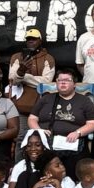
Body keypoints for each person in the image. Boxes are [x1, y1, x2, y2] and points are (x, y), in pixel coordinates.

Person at [28, 69, 94, 181]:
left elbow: (92, 123)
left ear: (74, 84)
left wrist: (78, 132)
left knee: (76, 163)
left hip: (74, 142)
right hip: (48, 141)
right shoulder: (46, 99)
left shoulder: (84, 101)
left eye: (67, 80)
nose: (63, 83)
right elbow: (32, 118)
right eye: (60, 80)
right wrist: (39, 131)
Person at [8, 28, 55, 160]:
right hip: (21, 107)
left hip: (41, 107)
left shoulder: (48, 58)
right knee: (21, 139)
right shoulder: (17, 57)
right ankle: (18, 169)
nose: (31, 42)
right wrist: (20, 73)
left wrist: (23, 76)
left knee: (43, 139)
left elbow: (46, 83)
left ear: (40, 41)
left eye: (34, 39)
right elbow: (12, 80)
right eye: (28, 39)